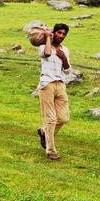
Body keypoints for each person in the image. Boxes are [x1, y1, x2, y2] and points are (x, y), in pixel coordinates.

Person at [36, 23, 71, 161]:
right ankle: (50, 150)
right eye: (59, 33)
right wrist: (47, 37)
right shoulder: (43, 46)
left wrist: (64, 58)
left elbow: (68, 71)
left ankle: (44, 132)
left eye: (64, 34)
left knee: (63, 118)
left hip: (60, 85)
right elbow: (47, 53)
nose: (61, 36)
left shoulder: (65, 50)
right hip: (47, 85)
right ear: (53, 33)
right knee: (50, 119)